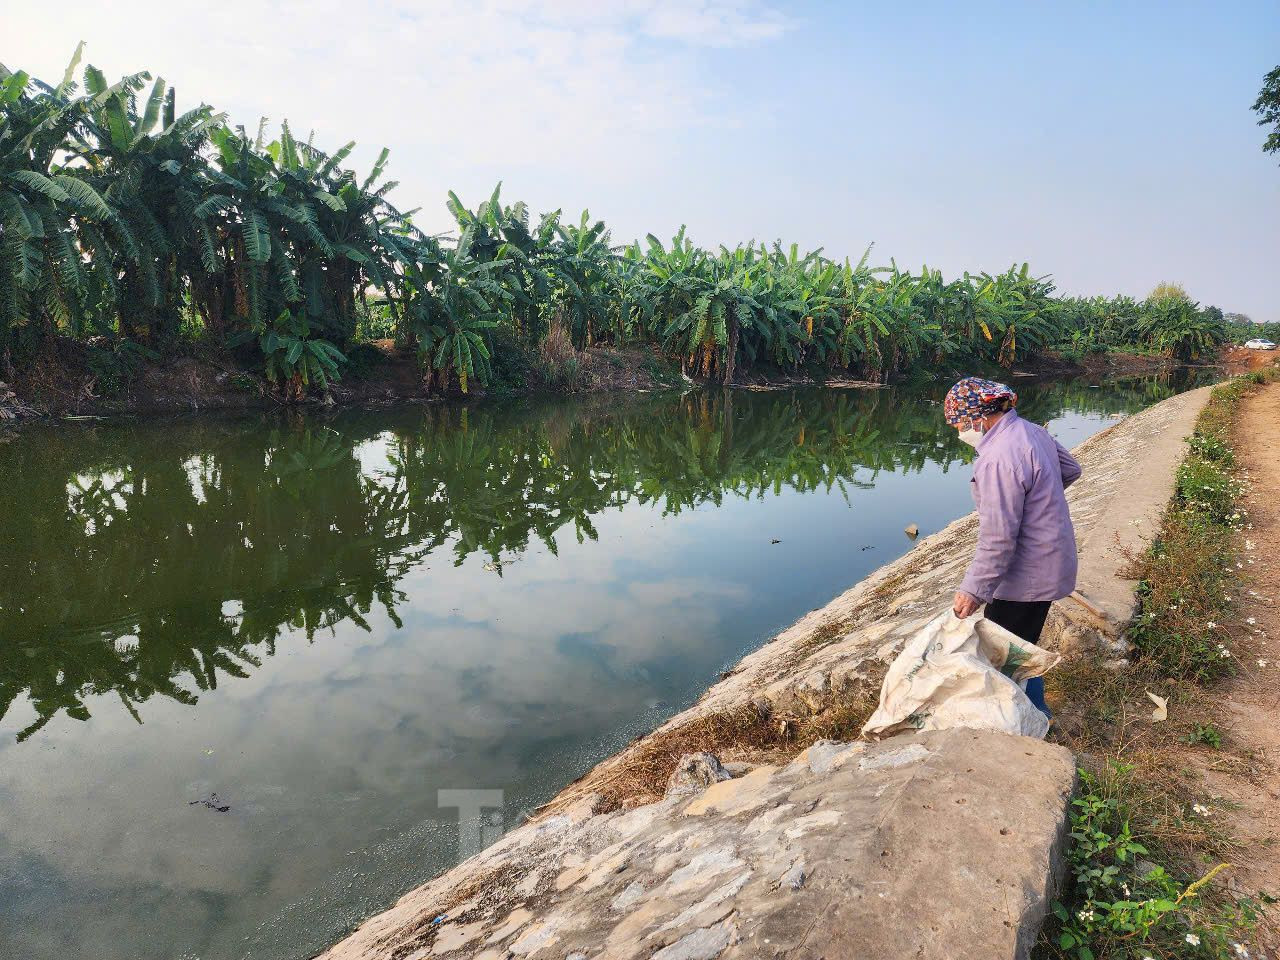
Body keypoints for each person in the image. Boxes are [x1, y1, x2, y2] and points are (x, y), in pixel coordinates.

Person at [944, 377, 1082, 717]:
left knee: (1006, 655)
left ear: (980, 416)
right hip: (1051, 562)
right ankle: (1037, 708)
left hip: (1024, 576)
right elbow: (1071, 469)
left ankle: (1030, 718)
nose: (960, 430)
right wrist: (1038, 502)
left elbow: (998, 539)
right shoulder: (1032, 432)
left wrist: (972, 591)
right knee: (1025, 645)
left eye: (960, 422)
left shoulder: (997, 458)